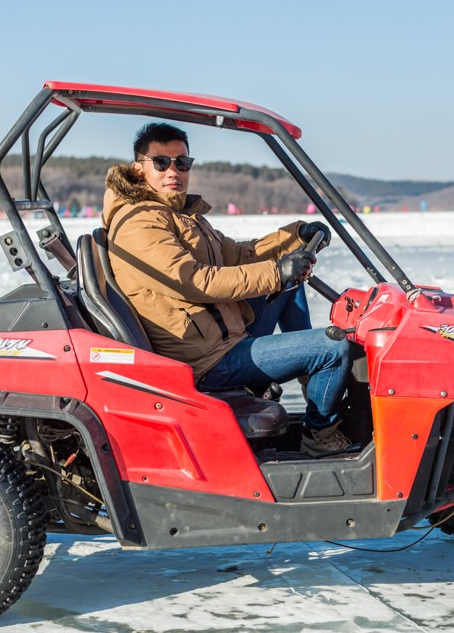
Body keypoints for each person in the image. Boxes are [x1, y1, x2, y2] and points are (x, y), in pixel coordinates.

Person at [102, 122, 353, 457]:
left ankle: (313, 378)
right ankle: (320, 436)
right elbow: (194, 281)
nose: (173, 171)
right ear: (138, 169)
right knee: (332, 348)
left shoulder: (180, 215)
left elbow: (239, 255)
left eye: (182, 163)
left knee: (291, 284)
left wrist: (295, 235)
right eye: (161, 163)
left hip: (222, 334)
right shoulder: (140, 223)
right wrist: (275, 273)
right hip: (207, 361)